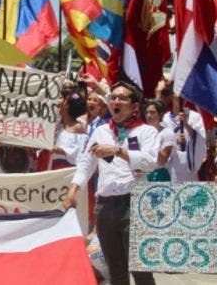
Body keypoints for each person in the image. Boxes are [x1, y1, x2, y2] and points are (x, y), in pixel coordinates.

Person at [64, 81, 159, 285]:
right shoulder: (101, 131)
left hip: (133, 204)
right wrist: (74, 189)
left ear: (134, 107)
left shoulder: (146, 132)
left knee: (140, 270)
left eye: (122, 98)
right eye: (113, 97)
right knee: (115, 270)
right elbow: (86, 163)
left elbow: (151, 162)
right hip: (105, 206)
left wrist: (118, 151)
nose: (116, 101)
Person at [50, 91, 88, 169]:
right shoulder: (58, 123)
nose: (60, 102)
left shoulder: (78, 127)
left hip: (64, 169)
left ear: (67, 105)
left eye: (63, 100)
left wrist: (60, 150)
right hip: (50, 165)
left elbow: (79, 153)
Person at [145, 100, 174, 182]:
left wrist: (152, 137)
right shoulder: (141, 132)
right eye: (147, 112)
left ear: (160, 115)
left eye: (152, 112)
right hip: (143, 175)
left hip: (159, 176)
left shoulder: (167, 133)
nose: (148, 115)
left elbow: (162, 160)